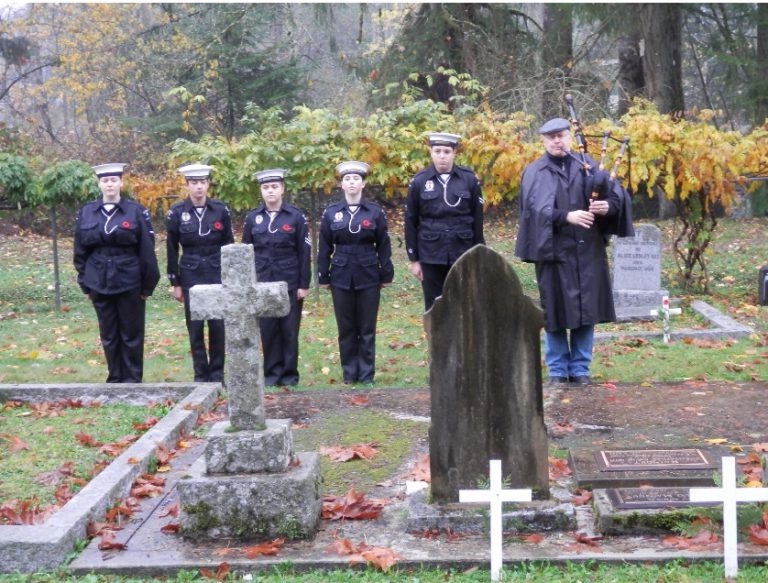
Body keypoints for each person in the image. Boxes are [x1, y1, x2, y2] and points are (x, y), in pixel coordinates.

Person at [514, 118, 633, 386]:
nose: (557, 141)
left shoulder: (588, 166)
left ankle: (580, 368)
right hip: (554, 251)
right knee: (554, 311)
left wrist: (607, 207)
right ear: (543, 141)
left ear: (570, 137)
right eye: (551, 137)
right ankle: (557, 369)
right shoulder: (535, 172)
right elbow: (533, 210)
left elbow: (617, 196)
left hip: (587, 250)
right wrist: (565, 216)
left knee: (586, 309)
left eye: (561, 136)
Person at [74, 163, 160, 383]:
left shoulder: (136, 211)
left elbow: (146, 249)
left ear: (121, 182)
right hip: (98, 280)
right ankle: (115, 379)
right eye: (105, 181)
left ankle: (132, 380)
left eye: (113, 180)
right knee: (109, 334)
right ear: (99, 183)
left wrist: (147, 286)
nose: (109, 184)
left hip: (129, 279)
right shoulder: (86, 212)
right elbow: (80, 251)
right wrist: (85, 283)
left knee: (131, 333)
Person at [317, 161, 394, 384]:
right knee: (346, 328)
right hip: (341, 276)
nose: (351, 183)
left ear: (363, 183)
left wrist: (385, 274)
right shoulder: (332, 213)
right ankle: (350, 374)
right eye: (347, 179)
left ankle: (367, 374)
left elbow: (383, 245)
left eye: (356, 179)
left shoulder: (375, 212)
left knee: (367, 327)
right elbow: (324, 247)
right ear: (341, 185)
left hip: (368, 274)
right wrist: (323, 275)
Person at [242, 169, 311, 386]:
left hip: (289, 282)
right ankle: (272, 375)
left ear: (282, 189)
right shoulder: (253, 218)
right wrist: (248, 283)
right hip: (262, 283)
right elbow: (246, 252)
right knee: (268, 331)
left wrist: (303, 284)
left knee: (289, 331)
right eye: (265, 187)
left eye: (274, 187)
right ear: (261, 191)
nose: (270, 191)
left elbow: (304, 252)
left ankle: (290, 376)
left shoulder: (296, 217)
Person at [166, 163, 234, 382]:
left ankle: (216, 374)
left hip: (216, 273)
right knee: (195, 329)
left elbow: (229, 245)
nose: (198, 187)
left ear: (207, 184)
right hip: (190, 275)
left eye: (202, 183)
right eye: (194, 183)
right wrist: (175, 282)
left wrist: (230, 277)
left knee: (217, 327)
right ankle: (200, 375)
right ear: (187, 185)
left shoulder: (220, 210)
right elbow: (171, 248)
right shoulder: (177, 212)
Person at [404, 132, 485, 311]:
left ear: (454, 153)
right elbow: (410, 221)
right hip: (430, 253)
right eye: (437, 151)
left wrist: (479, 253)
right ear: (431, 152)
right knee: (434, 307)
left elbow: (477, 219)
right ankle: (436, 340)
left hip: (462, 251)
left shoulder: (468, 179)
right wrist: (414, 260)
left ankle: (462, 340)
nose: (442, 156)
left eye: (447, 151)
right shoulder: (419, 181)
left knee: (463, 304)